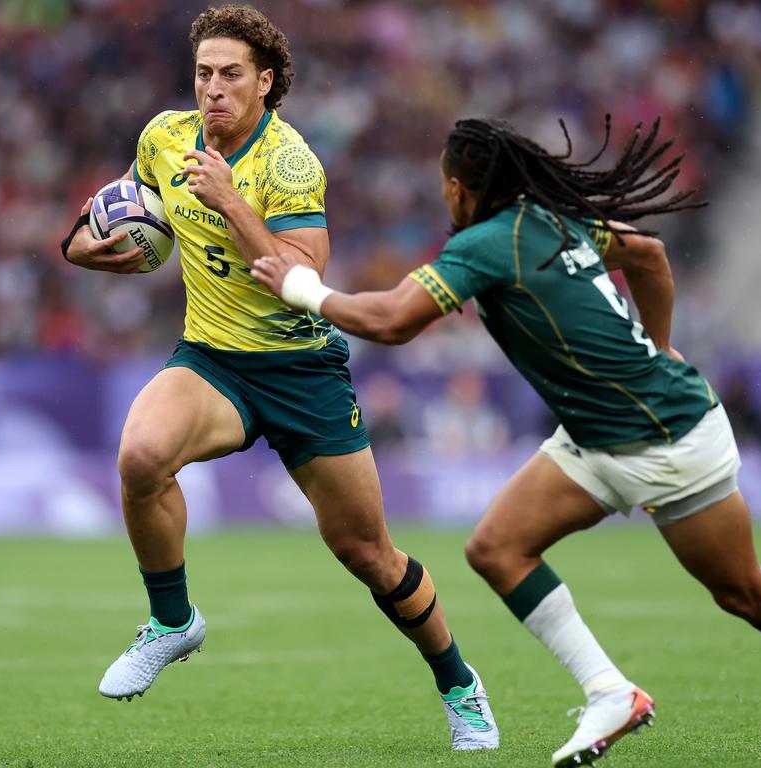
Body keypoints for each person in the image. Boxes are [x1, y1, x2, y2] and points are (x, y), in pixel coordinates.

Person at [252, 115, 761, 767]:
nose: (443, 197)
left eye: (444, 186)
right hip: (603, 435)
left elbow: (390, 320)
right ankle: (610, 692)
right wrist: (660, 347)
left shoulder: (488, 244)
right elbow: (648, 253)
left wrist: (300, 288)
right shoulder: (553, 218)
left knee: (743, 591)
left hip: (665, 439)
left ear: (462, 190)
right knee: (497, 548)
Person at [59, 4, 497, 750]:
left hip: (301, 370)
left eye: (232, 75)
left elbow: (302, 275)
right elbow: (111, 218)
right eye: (204, 74)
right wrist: (84, 250)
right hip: (213, 360)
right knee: (139, 455)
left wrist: (231, 201)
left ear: (265, 82)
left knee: (369, 555)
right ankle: (173, 621)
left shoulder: (289, 162)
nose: (214, 89)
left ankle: (459, 683)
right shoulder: (164, 139)